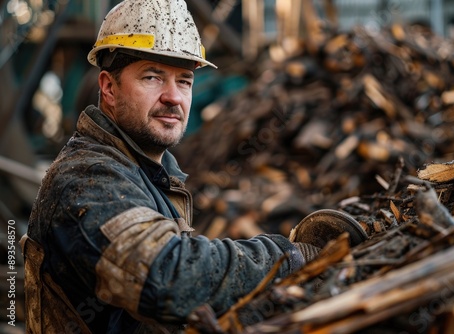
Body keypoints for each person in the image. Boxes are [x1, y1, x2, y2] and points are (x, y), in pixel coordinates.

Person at [22, 1, 364, 333]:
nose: (174, 96)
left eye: (184, 80)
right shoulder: (87, 176)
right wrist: (289, 258)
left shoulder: (146, 172)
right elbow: (169, 275)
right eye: (153, 77)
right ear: (109, 88)